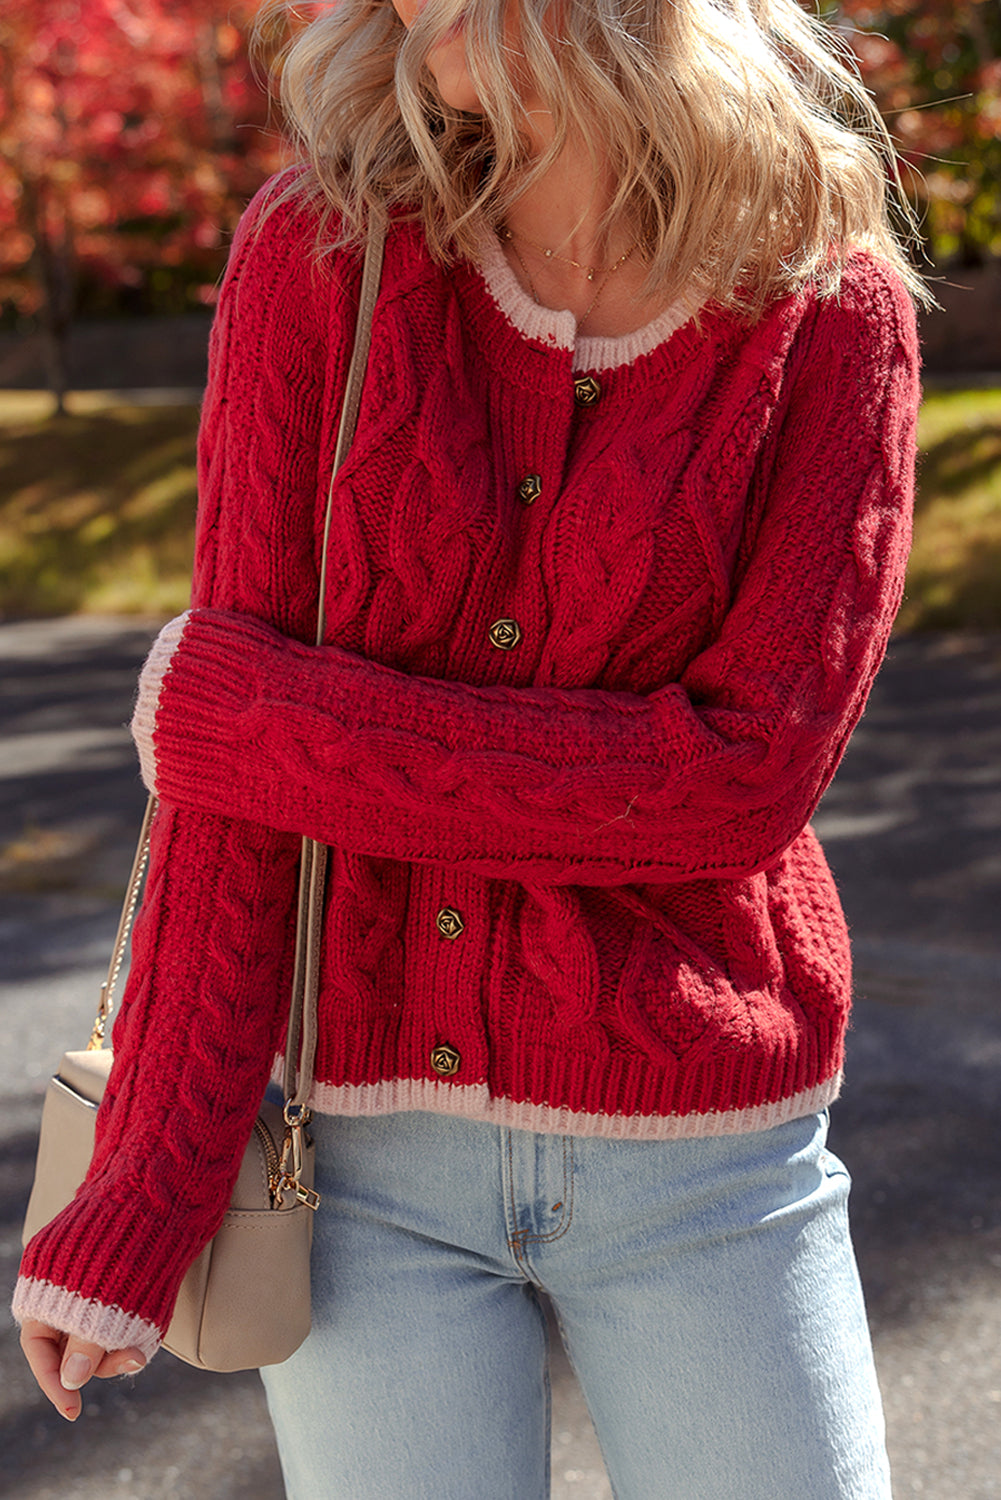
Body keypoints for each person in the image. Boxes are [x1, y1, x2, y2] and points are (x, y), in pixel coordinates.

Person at [15, 0, 925, 1494]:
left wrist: (264, 723)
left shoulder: (825, 310)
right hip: (356, 1170)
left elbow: (733, 786)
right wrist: (143, 1185)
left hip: (703, 1152)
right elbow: (228, 808)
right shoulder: (320, 255)